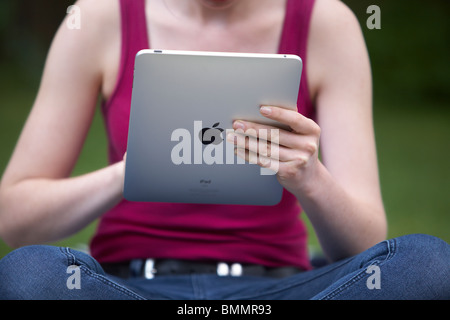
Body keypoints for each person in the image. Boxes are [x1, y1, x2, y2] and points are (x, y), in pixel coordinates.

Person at [0, 0, 448, 300]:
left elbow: (366, 244)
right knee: (31, 275)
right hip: (130, 286)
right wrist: (130, 172)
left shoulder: (326, 21)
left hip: (278, 291)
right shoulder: (98, 16)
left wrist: (311, 178)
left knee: (427, 266)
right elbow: (14, 219)